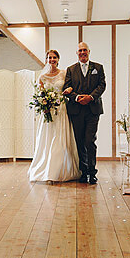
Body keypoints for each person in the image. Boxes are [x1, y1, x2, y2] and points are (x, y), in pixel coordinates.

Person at [28, 49, 81, 182]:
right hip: (48, 111)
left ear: (58, 59)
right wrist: (43, 104)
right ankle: (46, 169)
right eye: (49, 57)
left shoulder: (64, 73)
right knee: (47, 139)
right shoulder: (42, 77)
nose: (52, 60)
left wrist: (69, 90)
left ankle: (60, 170)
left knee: (60, 138)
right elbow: (40, 94)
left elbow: (70, 87)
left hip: (61, 109)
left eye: (54, 58)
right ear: (46, 60)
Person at [63, 43, 106, 184]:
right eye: (80, 50)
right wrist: (77, 97)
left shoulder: (98, 68)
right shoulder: (70, 69)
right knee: (80, 142)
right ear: (77, 52)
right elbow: (66, 88)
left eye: (85, 50)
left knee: (90, 141)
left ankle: (92, 172)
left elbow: (102, 85)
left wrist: (90, 97)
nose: (82, 52)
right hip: (76, 110)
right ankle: (83, 172)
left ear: (89, 51)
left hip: (93, 110)